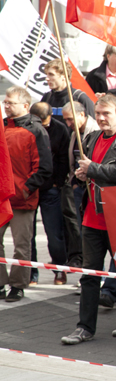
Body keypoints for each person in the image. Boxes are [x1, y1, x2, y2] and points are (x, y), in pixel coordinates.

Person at [61, 94, 116, 345]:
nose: (101, 118)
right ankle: (85, 327)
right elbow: (84, 169)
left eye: (106, 113)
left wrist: (93, 169)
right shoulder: (91, 137)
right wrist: (80, 175)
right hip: (92, 217)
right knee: (89, 275)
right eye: (98, 113)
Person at [1, 87, 53, 302]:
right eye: (5, 102)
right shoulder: (2, 127)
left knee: (22, 247)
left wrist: (25, 189)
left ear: (24, 105)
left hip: (22, 199)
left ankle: (18, 285)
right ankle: (1, 283)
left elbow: (44, 167)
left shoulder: (37, 131)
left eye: (10, 102)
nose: (6, 105)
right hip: (2, 197)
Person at [29, 102, 71, 285]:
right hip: (29, 187)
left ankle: (59, 268)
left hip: (50, 188)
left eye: (45, 123)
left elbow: (63, 158)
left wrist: (57, 182)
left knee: (54, 232)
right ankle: (31, 273)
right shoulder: (26, 128)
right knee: (27, 233)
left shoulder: (60, 129)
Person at [61, 102, 100, 269]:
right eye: (66, 120)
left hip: (93, 188)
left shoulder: (96, 131)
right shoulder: (73, 133)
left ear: (82, 115)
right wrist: (74, 183)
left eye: (70, 119)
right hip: (79, 187)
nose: (68, 123)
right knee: (82, 229)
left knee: (93, 234)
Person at [41, 58, 95, 124]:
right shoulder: (47, 97)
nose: (47, 78)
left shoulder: (80, 97)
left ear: (64, 76)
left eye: (51, 74)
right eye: (47, 74)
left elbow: (92, 127)